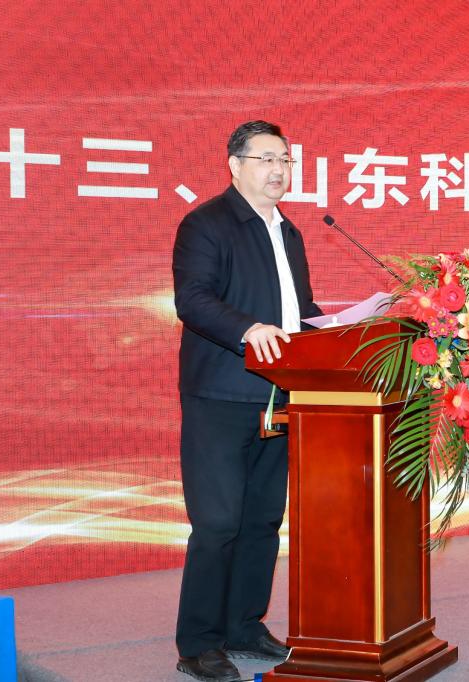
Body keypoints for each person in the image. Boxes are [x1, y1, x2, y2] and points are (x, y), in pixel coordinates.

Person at [172, 120, 322, 682]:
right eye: (266, 159)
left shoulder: (290, 232)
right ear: (234, 165)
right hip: (221, 395)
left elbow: (298, 311)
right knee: (217, 523)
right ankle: (199, 644)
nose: (278, 169)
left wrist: (343, 326)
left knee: (262, 519)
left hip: (279, 396)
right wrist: (247, 329)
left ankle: (243, 626)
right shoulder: (206, 224)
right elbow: (193, 299)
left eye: (285, 159)